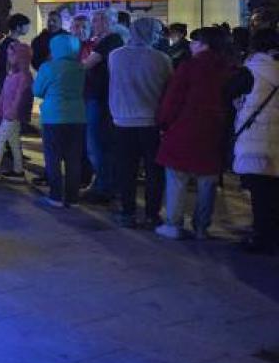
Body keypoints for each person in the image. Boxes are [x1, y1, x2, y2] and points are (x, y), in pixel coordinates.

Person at [154, 26, 235, 240]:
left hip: (185, 128)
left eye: (195, 41)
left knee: (177, 178)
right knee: (207, 182)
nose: (191, 45)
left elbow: (173, 99)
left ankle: (173, 223)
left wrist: (163, 122)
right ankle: (201, 227)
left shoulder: (189, 67)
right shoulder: (228, 68)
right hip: (214, 131)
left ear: (204, 44)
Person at [107, 17, 172, 228]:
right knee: (154, 171)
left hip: (122, 121)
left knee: (126, 169)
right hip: (151, 121)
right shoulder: (161, 59)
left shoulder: (115, 56)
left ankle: (128, 211)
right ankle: (152, 213)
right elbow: (168, 87)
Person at [232, 28, 279, 254]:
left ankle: (261, 236)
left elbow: (228, 92)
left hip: (256, 138)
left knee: (260, 192)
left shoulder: (251, 70)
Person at [33, 33, 87, 207]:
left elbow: (37, 90)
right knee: (74, 159)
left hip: (53, 117)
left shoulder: (48, 67)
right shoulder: (81, 68)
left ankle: (55, 196)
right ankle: (73, 198)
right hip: (78, 117)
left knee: (53, 158)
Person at [81, 9, 125, 204]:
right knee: (99, 144)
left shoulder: (110, 40)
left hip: (99, 98)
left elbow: (86, 65)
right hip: (99, 97)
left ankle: (104, 187)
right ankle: (102, 183)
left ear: (112, 21)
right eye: (95, 19)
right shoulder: (104, 40)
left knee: (96, 144)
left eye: (102, 19)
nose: (97, 22)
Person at [0, 42, 33, 178]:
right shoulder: (12, 73)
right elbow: (4, 92)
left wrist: (13, 110)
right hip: (8, 112)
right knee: (13, 141)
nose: (9, 57)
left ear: (21, 57)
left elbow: (20, 96)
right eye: (9, 54)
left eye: (12, 55)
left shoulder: (24, 76)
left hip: (12, 114)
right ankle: (18, 169)